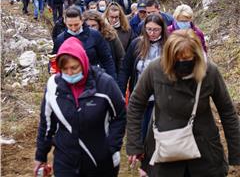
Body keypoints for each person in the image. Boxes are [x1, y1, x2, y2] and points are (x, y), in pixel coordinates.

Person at [126, 29, 240, 177]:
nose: (183, 64)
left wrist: (236, 151)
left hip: (204, 152)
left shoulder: (209, 71)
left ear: (196, 56)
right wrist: (134, 145)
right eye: (178, 60)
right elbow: (136, 104)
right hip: (164, 149)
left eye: (187, 59)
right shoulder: (155, 69)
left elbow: (227, 112)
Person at [34, 37, 126, 177]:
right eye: (65, 69)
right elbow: (47, 122)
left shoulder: (104, 84)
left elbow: (120, 115)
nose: (70, 73)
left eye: (74, 68)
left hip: (99, 161)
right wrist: (41, 156)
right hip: (66, 159)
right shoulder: (53, 85)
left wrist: (111, 147)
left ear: (83, 63)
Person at [52, 6, 117, 80]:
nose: (73, 28)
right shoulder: (60, 39)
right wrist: (51, 68)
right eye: (70, 25)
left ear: (82, 21)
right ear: (65, 22)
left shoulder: (94, 35)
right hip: (70, 79)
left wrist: (112, 80)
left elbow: (106, 60)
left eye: (76, 25)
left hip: (93, 78)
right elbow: (54, 59)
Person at [83, 10, 125, 77]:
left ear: (99, 25)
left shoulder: (110, 36)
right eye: (88, 26)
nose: (91, 28)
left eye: (93, 25)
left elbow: (121, 57)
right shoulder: (81, 40)